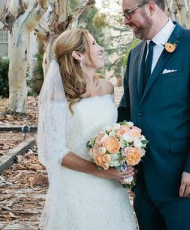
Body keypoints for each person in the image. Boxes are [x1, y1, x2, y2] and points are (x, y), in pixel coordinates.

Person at [118, 0, 190, 230]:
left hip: (182, 179)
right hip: (143, 181)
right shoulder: (134, 55)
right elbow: (127, 110)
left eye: (128, 13)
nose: (125, 21)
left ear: (151, 7)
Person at [37, 28, 137, 230]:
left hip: (111, 188)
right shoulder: (59, 96)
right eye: (93, 44)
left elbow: (113, 131)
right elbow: (54, 150)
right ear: (77, 54)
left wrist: (123, 155)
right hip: (76, 186)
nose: (100, 48)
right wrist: (100, 172)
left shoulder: (107, 88)